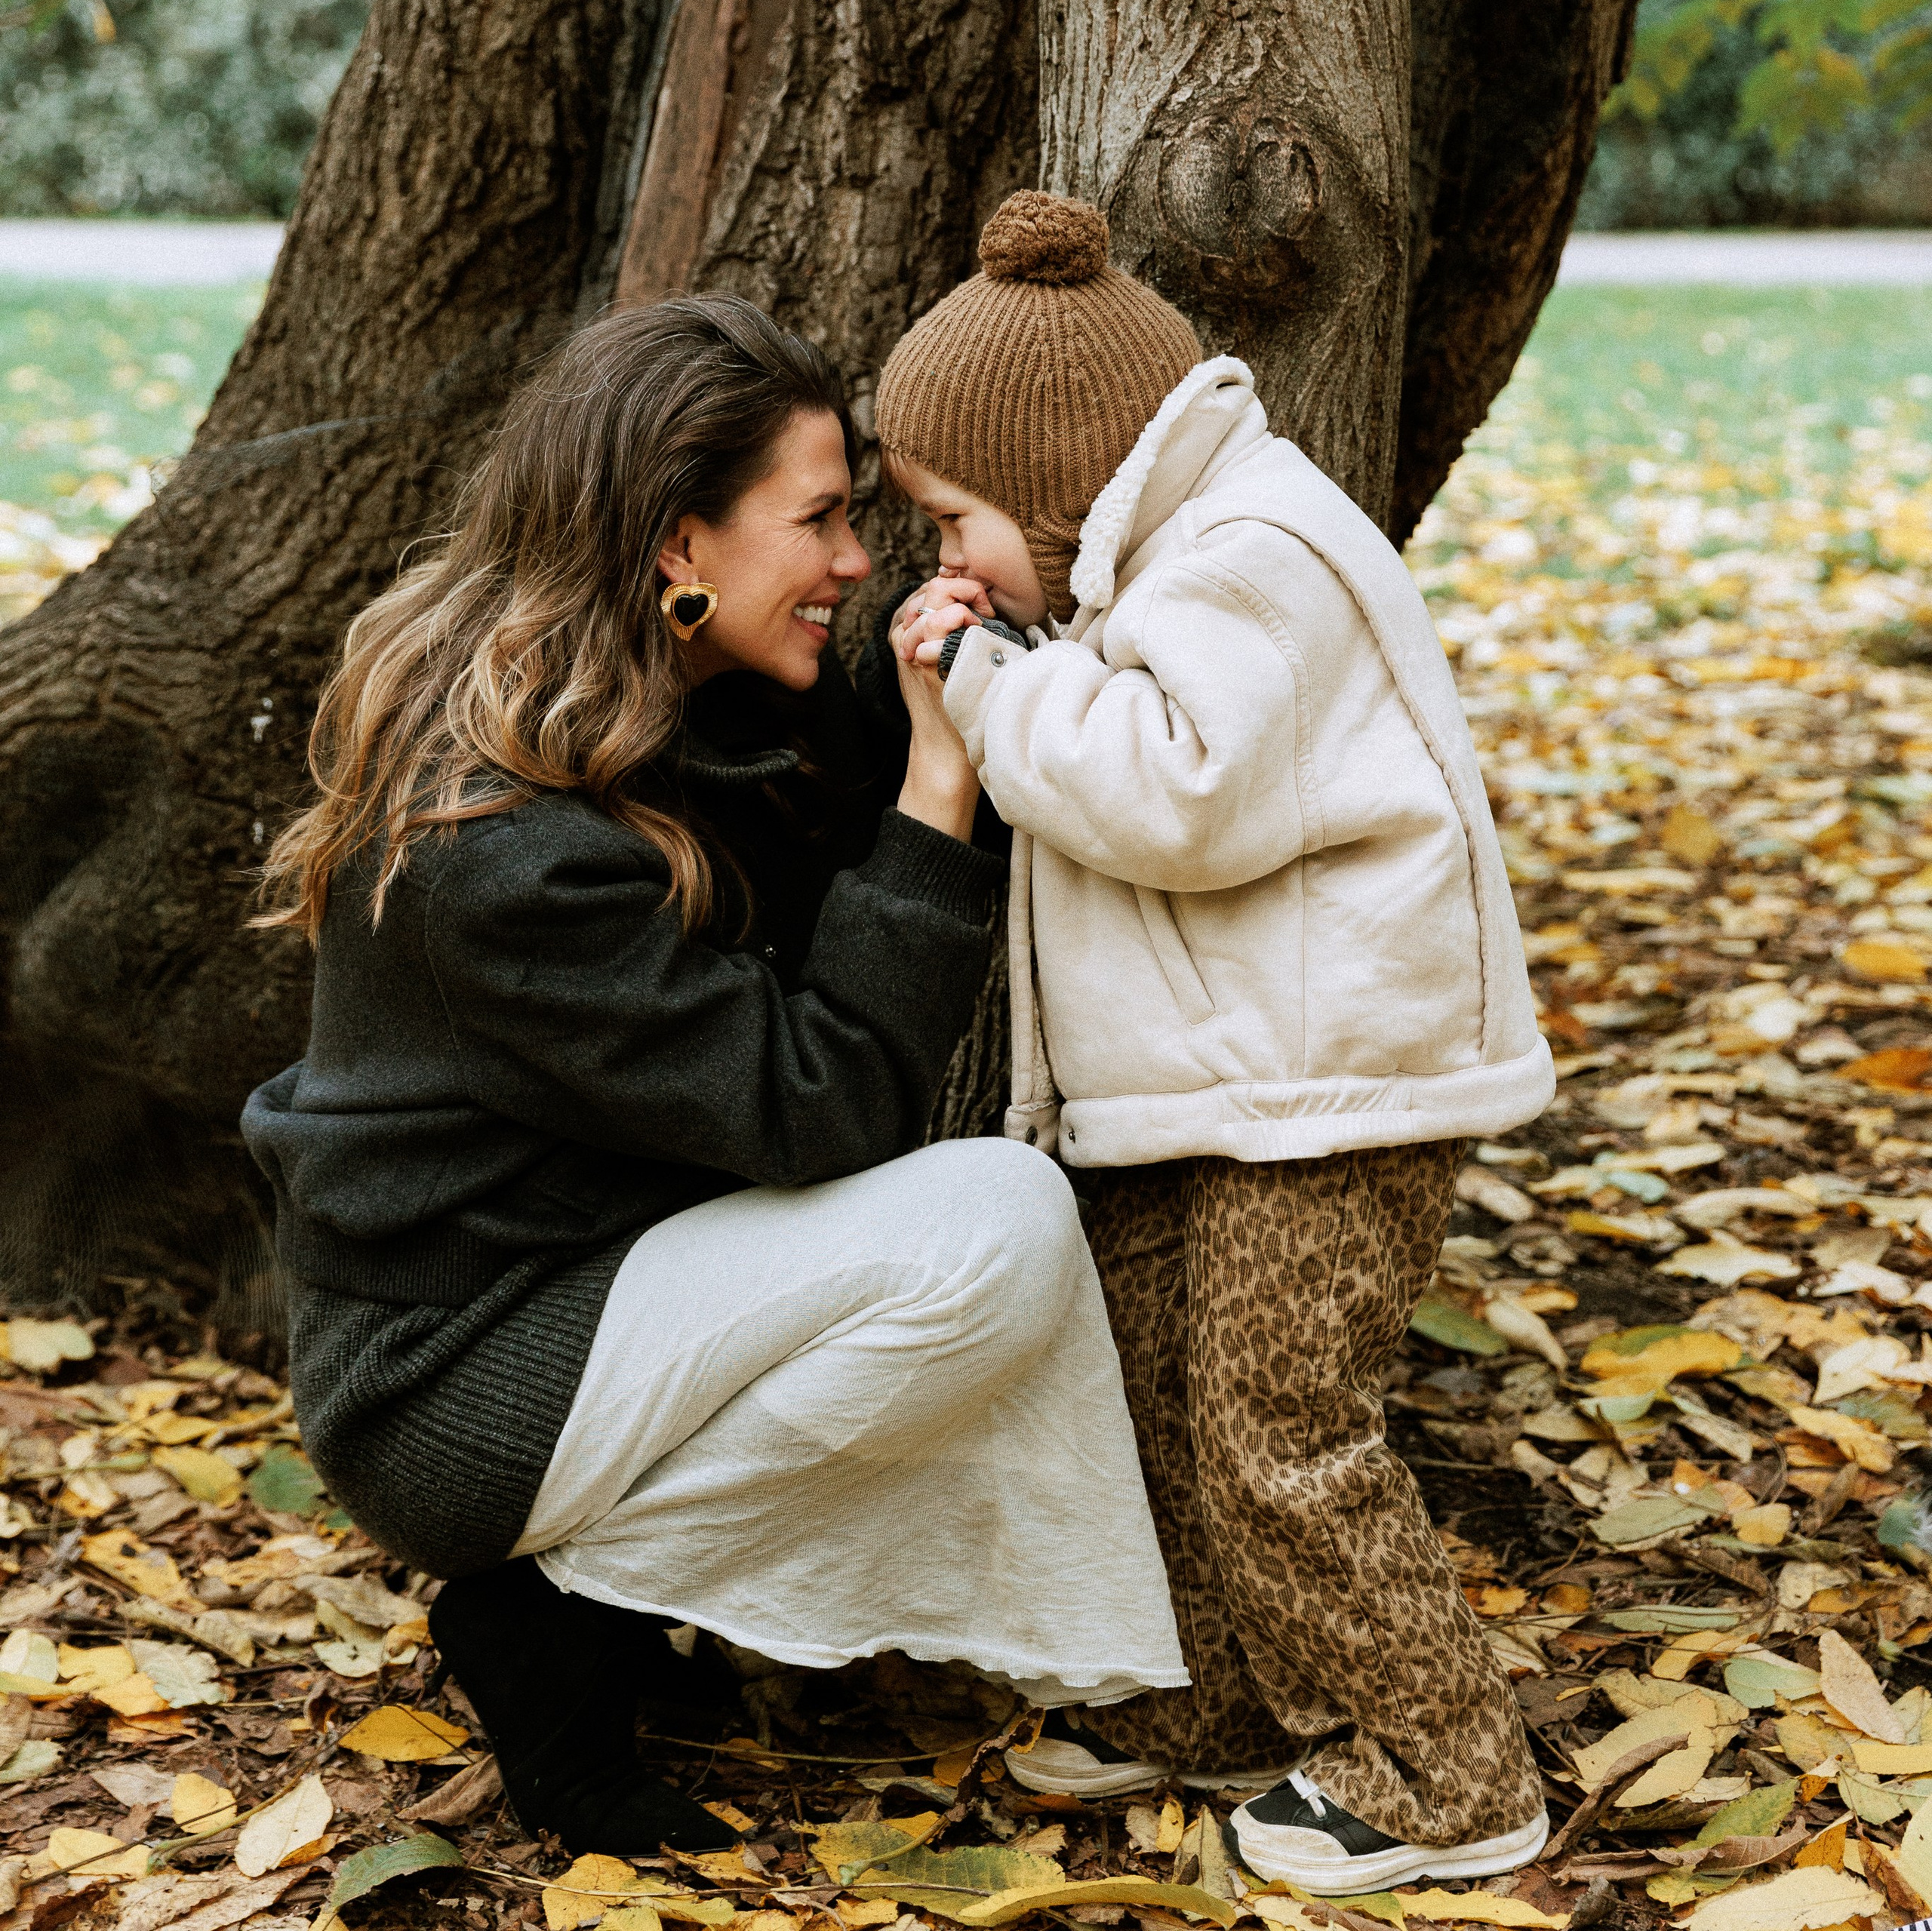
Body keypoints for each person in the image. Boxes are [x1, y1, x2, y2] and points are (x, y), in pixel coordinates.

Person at [241, 295, 1188, 1856]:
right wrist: (941, 784)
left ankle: (614, 1597)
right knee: (989, 1225)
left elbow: (827, 796)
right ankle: (557, 1610)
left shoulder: (671, 698)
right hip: (451, 1374)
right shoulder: (505, 853)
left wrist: (970, 660)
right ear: (677, 546)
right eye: (815, 520)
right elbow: (823, 1104)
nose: (852, 559)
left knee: (981, 1236)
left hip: (598, 1277)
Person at [873, 190, 1556, 1896]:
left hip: (1335, 1091)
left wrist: (986, 682)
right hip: (1222, 1086)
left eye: (955, 518)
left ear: (1050, 475)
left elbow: (1181, 790)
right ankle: (1224, 1700)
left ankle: (1444, 1765)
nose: (944, 562)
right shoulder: (1145, 558)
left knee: (1276, 1424)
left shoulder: (1258, 554)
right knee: (1158, 1402)